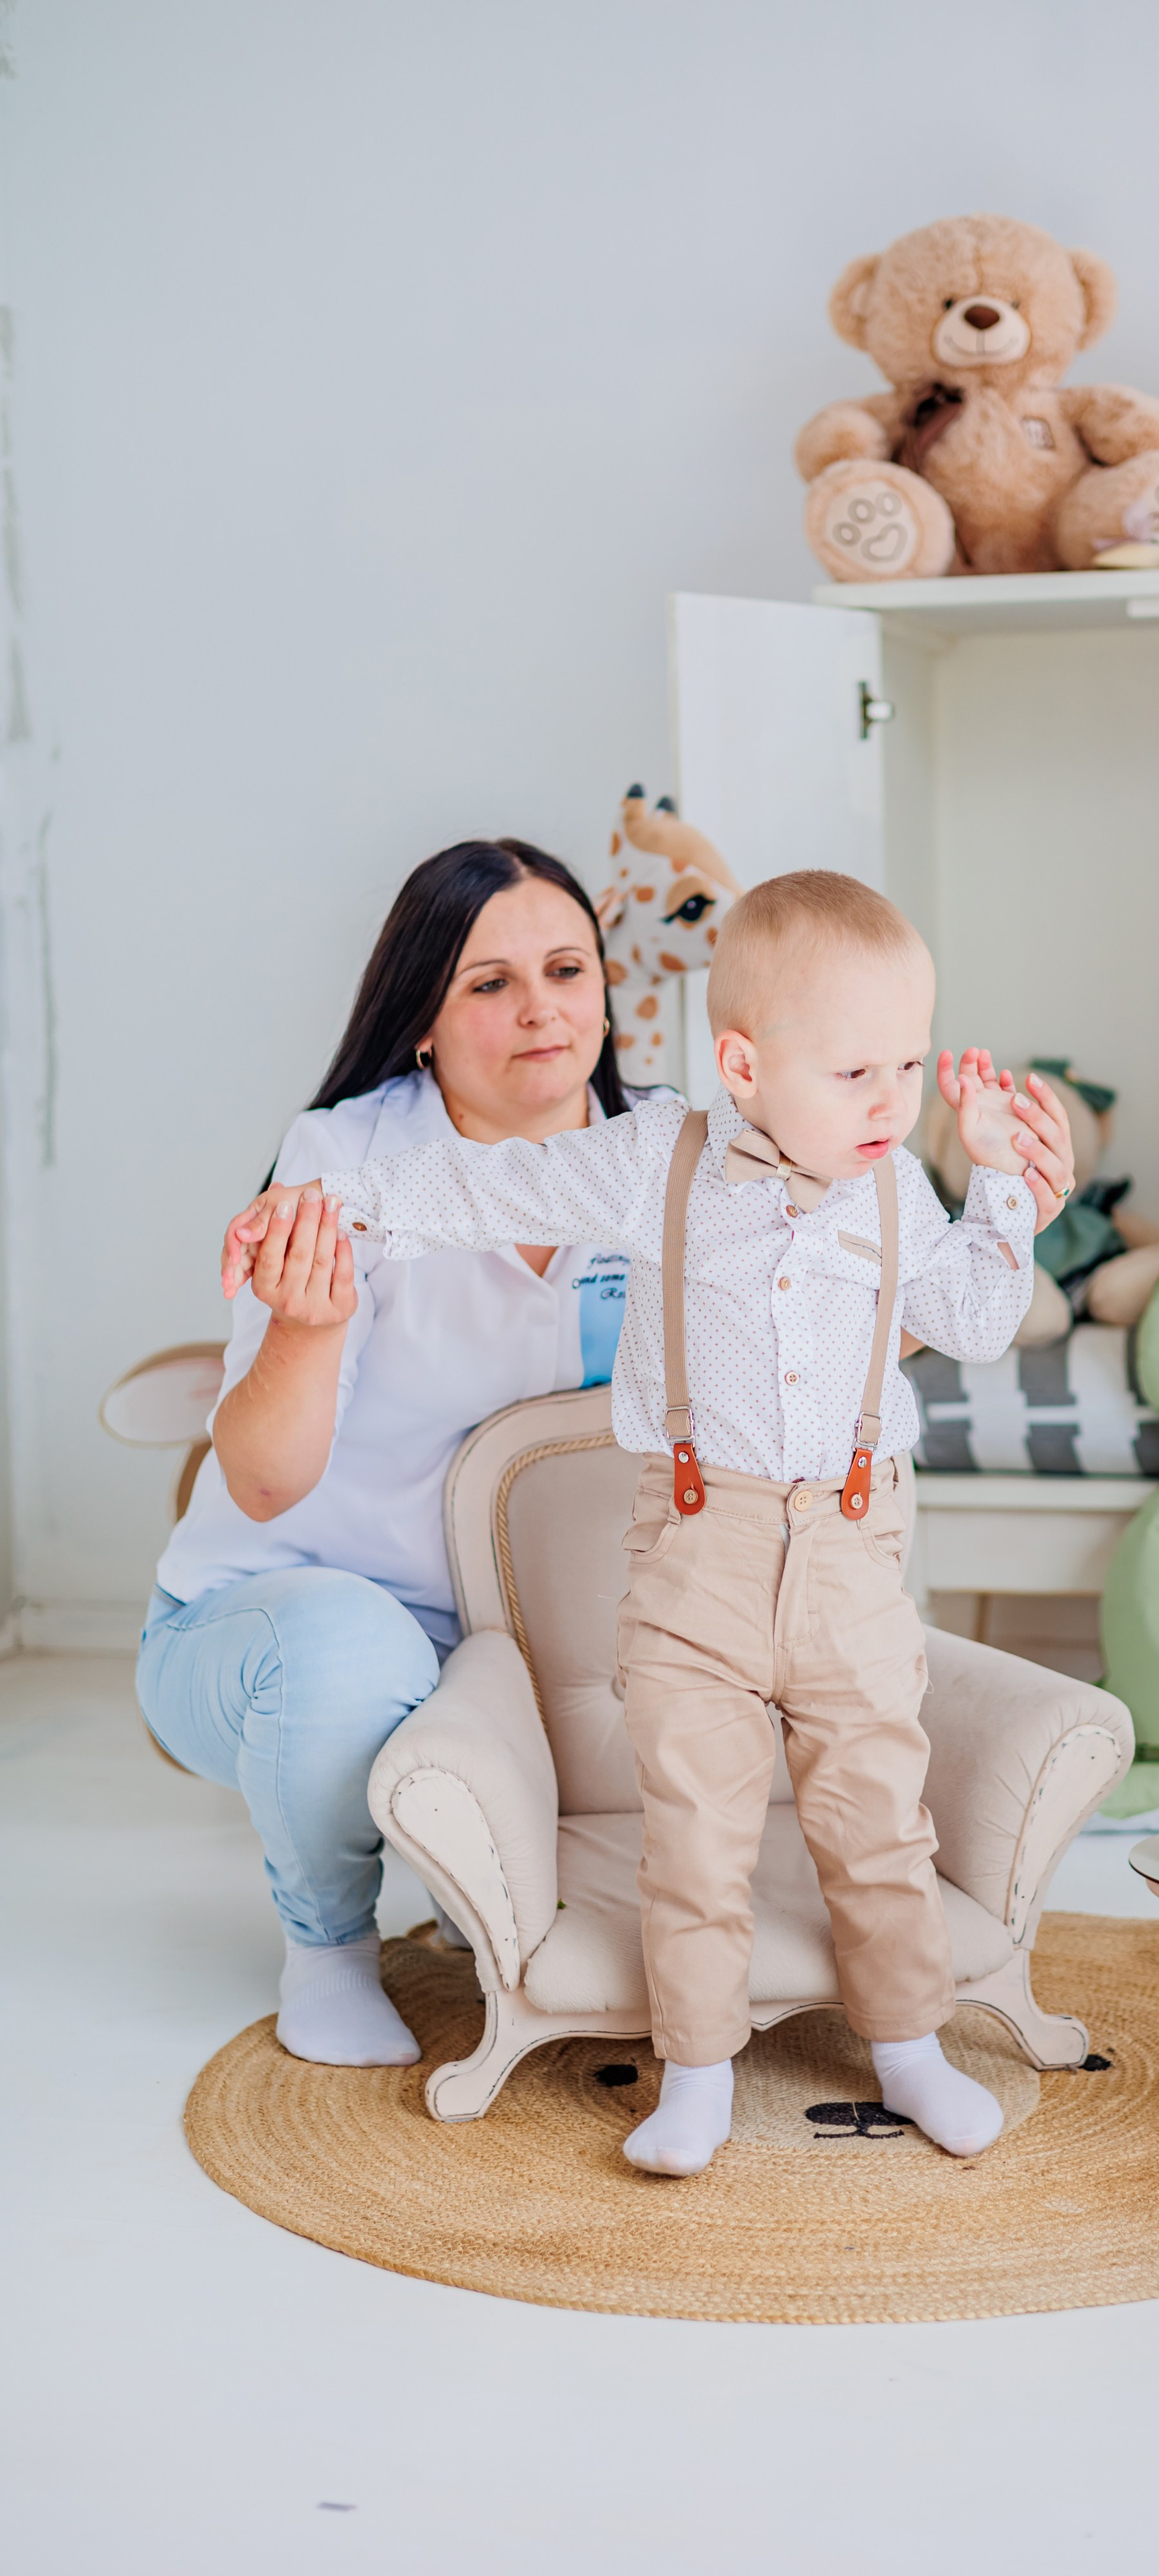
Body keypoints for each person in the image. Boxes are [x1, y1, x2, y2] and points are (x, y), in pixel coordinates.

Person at [222, 871, 1076, 2175]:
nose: (889, 1102)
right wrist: (323, 1212)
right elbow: (481, 1194)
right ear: (743, 1062)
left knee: (875, 1812)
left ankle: (909, 2046)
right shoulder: (652, 1158)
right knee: (698, 1823)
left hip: (851, 1547)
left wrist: (1006, 1193)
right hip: (696, 1550)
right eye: (855, 1071)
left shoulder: (895, 1186)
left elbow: (965, 1320)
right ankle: (695, 2070)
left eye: (905, 1066)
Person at [140, 839, 665, 2070]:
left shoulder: (662, 1158)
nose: (541, 1008)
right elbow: (266, 1479)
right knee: (350, 1646)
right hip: (277, 1640)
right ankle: (326, 1947)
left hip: (536, 1651)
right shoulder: (344, 1163)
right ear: (422, 1021)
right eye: (488, 983)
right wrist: (310, 1326)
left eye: (566, 968)